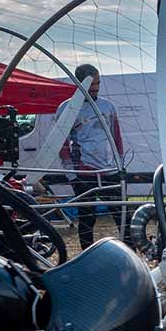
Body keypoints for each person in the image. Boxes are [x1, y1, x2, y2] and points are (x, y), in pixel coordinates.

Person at [55, 64, 127, 250]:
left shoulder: (107, 106)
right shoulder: (67, 108)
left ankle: (131, 250)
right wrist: (71, 174)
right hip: (83, 172)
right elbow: (61, 144)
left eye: (98, 83)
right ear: (79, 83)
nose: (95, 87)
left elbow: (116, 137)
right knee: (87, 218)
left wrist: (120, 164)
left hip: (109, 170)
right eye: (91, 84)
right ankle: (86, 255)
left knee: (120, 214)